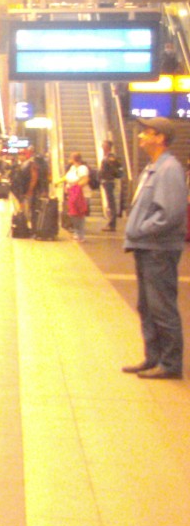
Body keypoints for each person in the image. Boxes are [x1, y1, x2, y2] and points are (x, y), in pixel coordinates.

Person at [121, 117, 186, 379]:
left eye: (146, 132)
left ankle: (170, 364)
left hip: (158, 249)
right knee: (147, 306)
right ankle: (153, 357)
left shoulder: (169, 169)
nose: (140, 136)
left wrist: (139, 229)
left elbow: (170, 213)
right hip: (146, 247)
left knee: (161, 307)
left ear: (160, 138)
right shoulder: (153, 168)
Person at [63, 152, 90, 242]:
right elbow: (67, 178)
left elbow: (85, 180)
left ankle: (80, 235)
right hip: (73, 194)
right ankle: (77, 232)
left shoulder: (83, 168)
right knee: (73, 214)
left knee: (80, 215)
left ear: (73, 159)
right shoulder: (72, 168)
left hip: (81, 195)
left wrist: (75, 187)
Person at [99, 140, 123, 231]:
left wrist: (108, 176)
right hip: (106, 181)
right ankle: (111, 223)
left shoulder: (110, 157)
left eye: (104, 145)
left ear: (108, 147)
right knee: (110, 203)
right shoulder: (106, 157)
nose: (102, 147)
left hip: (109, 181)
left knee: (111, 203)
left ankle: (112, 224)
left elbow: (113, 168)